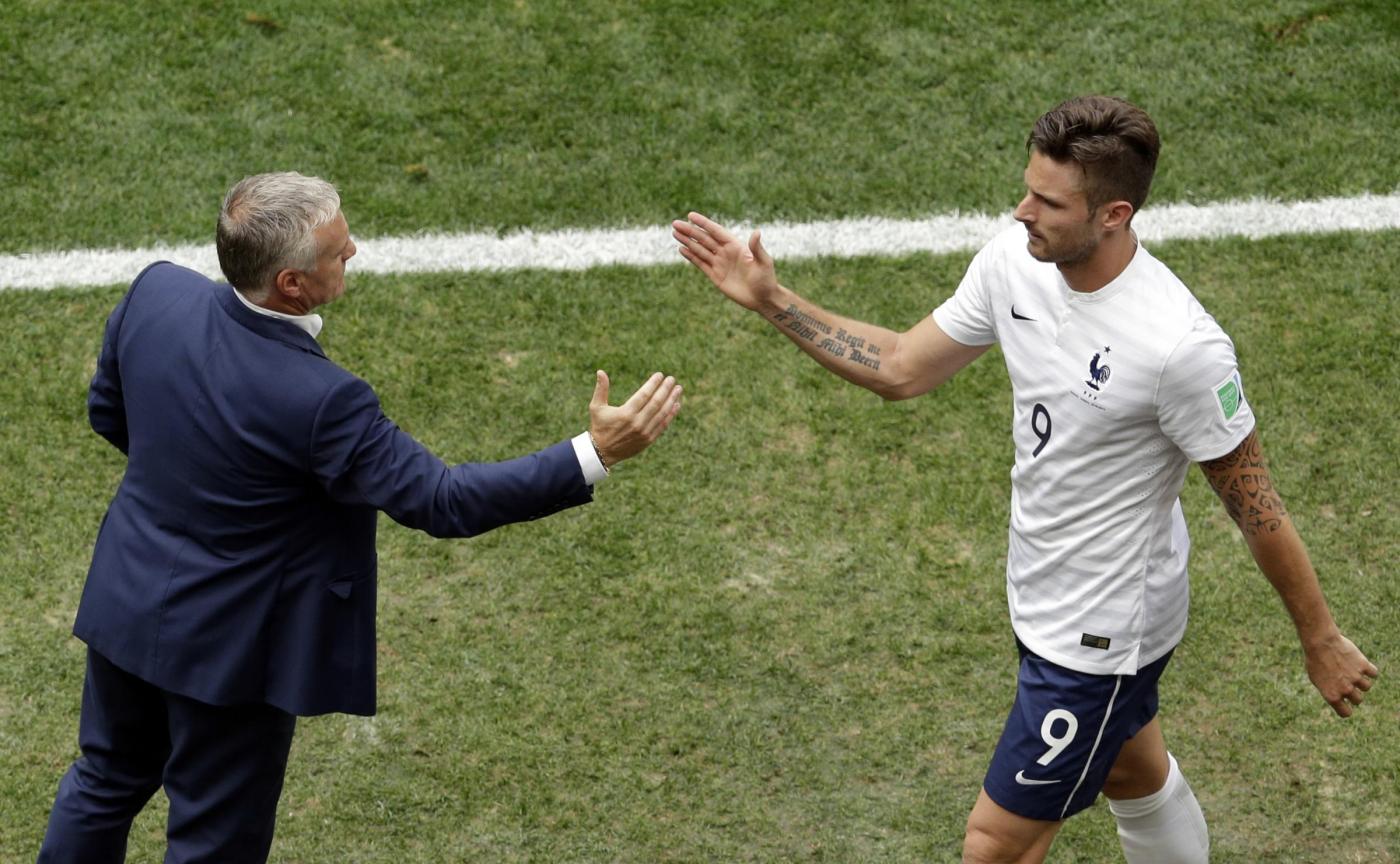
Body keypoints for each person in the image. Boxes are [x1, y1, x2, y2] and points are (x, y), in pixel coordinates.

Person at [673, 95, 1377, 863]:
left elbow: (1257, 507)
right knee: (1131, 769)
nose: (1022, 212)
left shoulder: (1180, 349)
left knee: (995, 845)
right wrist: (772, 299)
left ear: (1113, 214)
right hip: (1043, 590)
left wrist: (1320, 638)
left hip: (1101, 631)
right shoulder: (1016, 262)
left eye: (1049, 202)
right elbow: (902, 367)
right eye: (1027, 190)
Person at [38, 171, 683, 863]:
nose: (353, 250)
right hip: (232, 653)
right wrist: (594, 453)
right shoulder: (323, 401)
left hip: (128, 601)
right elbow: (444, 500)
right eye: (337, 249)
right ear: (291, 283)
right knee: (213, 841)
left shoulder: (156, 293)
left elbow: (109, 412)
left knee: (104, 781)